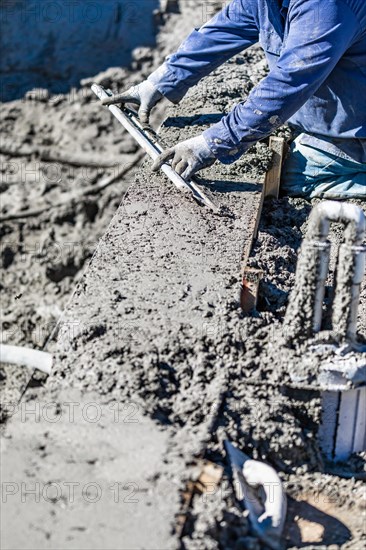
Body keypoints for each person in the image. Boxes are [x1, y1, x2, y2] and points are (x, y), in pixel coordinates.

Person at [103, 0, 366, 199]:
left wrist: (210, 144)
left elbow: (288, 83)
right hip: (330, 118)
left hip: (356, 135)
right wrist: (158, 81)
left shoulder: (326, 8)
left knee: (285, 178)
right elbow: (223, 31)